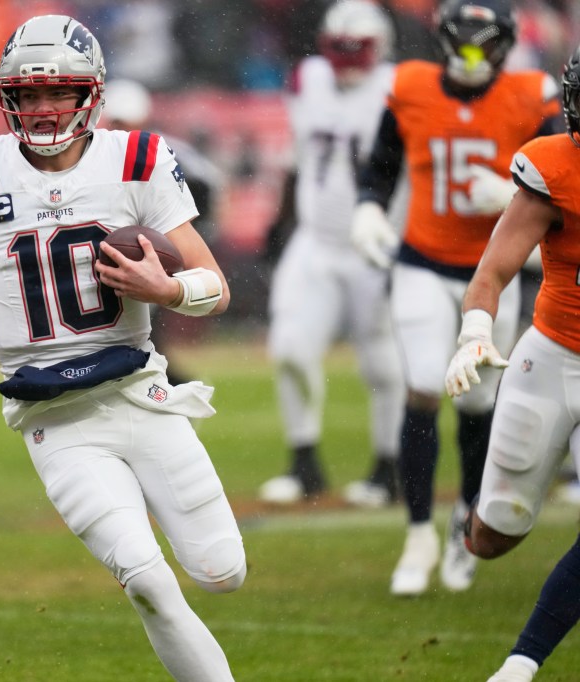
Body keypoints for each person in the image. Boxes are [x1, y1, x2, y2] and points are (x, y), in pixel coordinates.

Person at [0, 15, 247, 680]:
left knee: (222, 571)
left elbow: (216, 286)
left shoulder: (136, 160)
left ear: (93, 93)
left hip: (142, 395)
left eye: (60, 91)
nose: (44, 107)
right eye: (28, 94)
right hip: (54, 417)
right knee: (146, 579)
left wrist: (166, 290)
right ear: (7, 98)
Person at [351, 0, 561, 596]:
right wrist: (369, 208)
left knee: (477, 402)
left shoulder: (531, 95)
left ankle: (465, 516)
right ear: (441, 39)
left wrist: (515, 196)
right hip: (423, 261)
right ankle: (418, 532)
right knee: (423, 385)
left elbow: (564, 179)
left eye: (483, 42)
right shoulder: (410, 86)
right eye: (462, 41)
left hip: (494, 268)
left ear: (505, 45)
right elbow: (381, 166)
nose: (471, 54)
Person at [444, 45, 580, 682]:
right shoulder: (555, 167)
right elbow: (493, 271)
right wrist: (475, 332)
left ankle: (519, 665)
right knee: (496, 534)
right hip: (551, 356)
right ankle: (466, 521)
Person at [257, 0, 405, 508]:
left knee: (383, 364)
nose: (345, 59)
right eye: (337, 47)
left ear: (379, 47)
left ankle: (388, 468)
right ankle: (304, 465)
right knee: (290, 348)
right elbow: (297, 158)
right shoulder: (308, 80)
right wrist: (279, 224)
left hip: (377, 242)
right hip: (316, 239)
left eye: (355, 48)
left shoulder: (400, 88)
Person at [101, 76, 226, 385]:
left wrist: (194, 231)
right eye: (117, 121)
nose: (122, 128)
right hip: (126, 246)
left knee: (145, 313)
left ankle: (164, 378)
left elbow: (211, 182)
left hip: (157, 244)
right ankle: (166, 378)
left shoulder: (162, 151)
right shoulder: (101, 154)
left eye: (126, 121)